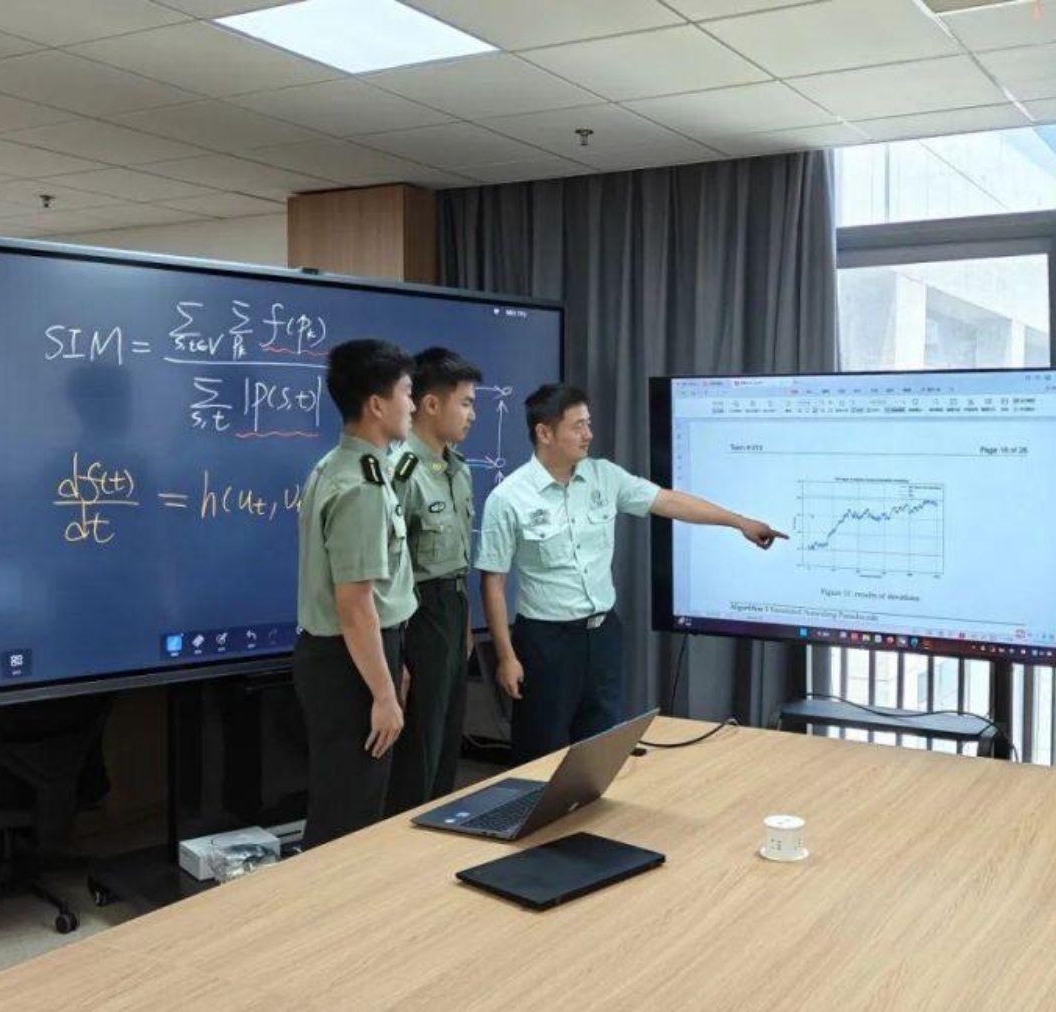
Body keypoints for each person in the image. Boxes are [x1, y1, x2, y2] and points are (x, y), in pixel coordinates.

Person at [476, 383, 786, 764]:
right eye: (577, 426)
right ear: (544, 433)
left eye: (589, 424)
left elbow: (669, 501)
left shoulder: (605, 476)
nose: (588, 435)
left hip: (602, 635)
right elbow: (493, 583)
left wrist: (739, 522)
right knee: (541, 752)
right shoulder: (508, 498)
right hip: (546, 641)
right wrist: (506, 656)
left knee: (600, 749)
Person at [292, 339, 417, 846]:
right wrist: (383, 694)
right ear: (377, 404)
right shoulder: (361, 487)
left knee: (344, 799)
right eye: (407, 392)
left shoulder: (338, 465)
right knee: (348, 816)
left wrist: (390, 665)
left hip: (354, 654)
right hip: (348, 662)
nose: (412, 405)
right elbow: (356, 605)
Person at [384, 348, 481, 813]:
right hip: (418, 614)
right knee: (419, 745)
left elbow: (459, 560)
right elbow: (389, 568)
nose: (472, 414)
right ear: (430, 404)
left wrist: (466, 624)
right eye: (465, 403)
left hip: (453, 609)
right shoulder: (401, 471)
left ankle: (440, 831)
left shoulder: (458, 469)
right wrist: (397, 652)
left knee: (447, 740)